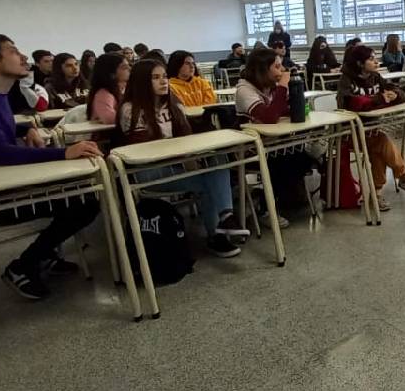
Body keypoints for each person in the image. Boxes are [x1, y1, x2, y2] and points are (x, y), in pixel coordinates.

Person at [0, 34, 102, 300]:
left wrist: (26, 127)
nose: (23, 57)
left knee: (79, 192)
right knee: (84, 201)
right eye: (13, 51)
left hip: (4, 185)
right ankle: (24, 265)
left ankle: (44, 255)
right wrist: (64, 152)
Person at [117, 59, 247, 257]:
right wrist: (185, 156)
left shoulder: (172, 102)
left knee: (218, 160)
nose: (163, 82)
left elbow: (185, 137)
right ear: (142, 82)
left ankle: (225, 218)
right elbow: (145, 151)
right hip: (149, 172)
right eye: (155, 78)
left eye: (164, 77)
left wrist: (189, 155)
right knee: (210, 179)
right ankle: (218, 232)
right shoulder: (131, 109)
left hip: (176, 165)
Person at [337, 45, 405, 211]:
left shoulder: (375, 76)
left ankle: (375, 194)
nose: (376, 61)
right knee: (381, 142)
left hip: (371, 129)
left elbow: (398, 92)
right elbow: (353, 104)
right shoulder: (346, 80)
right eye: (371, 59)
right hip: (350, 132)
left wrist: (394, 95)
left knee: (378, 148)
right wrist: (379, 98)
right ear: (359, 63)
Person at [234, 47, 312, 224]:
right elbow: (269, 117)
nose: (282, 70)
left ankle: (285, 198)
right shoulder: (244, 90)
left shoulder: (270, 88)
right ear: (263, 69)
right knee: (286, 159)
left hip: (274, 143)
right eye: (277, 67)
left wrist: (293, 96)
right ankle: (265, 207)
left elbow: (284, 111)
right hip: (251, 149)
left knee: (303, 156)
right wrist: (283, 87)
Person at [88, 52, 130, 124]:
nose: (129, 69)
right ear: (111, 73)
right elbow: (109, 118)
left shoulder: (124, 89)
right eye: (124, 67)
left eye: (128, 66)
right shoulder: (104, 94)